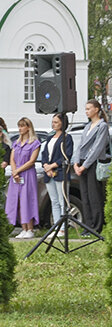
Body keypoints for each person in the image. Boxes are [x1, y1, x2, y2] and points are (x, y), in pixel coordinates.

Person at [73, 100, 109, 235]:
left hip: (93, 164)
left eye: (89, 108)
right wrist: (76, 163)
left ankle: (97, 226)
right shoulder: (88, 126)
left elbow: (97, 148)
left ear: (96, 109)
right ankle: (88, 226)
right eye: (86, 108)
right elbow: (80, 146)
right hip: (82, 163)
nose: (86, 111)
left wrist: (84, 165)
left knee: (94, 196)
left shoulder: (102, 126)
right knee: (85, 195)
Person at [4, 117, 41, 239]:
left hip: (27, 174)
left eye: (22, 126)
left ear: (28, 127)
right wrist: (14, 172)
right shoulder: (16, 143)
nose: (20, 128)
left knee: (27, 200)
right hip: (17, 175)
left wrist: (17, 171)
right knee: (17, 201)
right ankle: (23, 228)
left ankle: (30, 228)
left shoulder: (34, 143)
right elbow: (12, 159)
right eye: (19, 126)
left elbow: (31, 161)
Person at [40, 113, 74, 227]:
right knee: (53, 201)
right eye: (52, 121)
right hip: (49, 173)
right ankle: (56, 226)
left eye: (56, 122)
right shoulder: (50, 137)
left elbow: (66, 156)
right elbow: (44, 153)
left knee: (62, 200)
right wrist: (45, 166)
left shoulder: (66, 137)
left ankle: (63, 227)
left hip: (60, 172)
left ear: (62, 123)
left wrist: (52, 166)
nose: (53, 124)